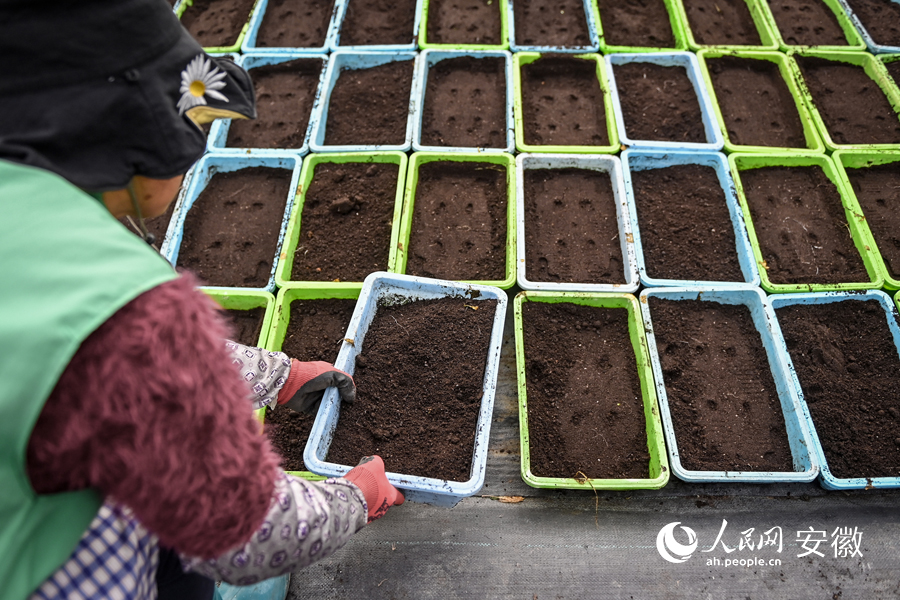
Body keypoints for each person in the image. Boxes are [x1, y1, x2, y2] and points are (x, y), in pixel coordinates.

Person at [0, 2, 404, 599]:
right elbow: (242, 529)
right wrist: (352, 495)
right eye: (187, 118)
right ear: (134, 136)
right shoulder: (121, 299)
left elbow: (111, 362)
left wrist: (278, 375)